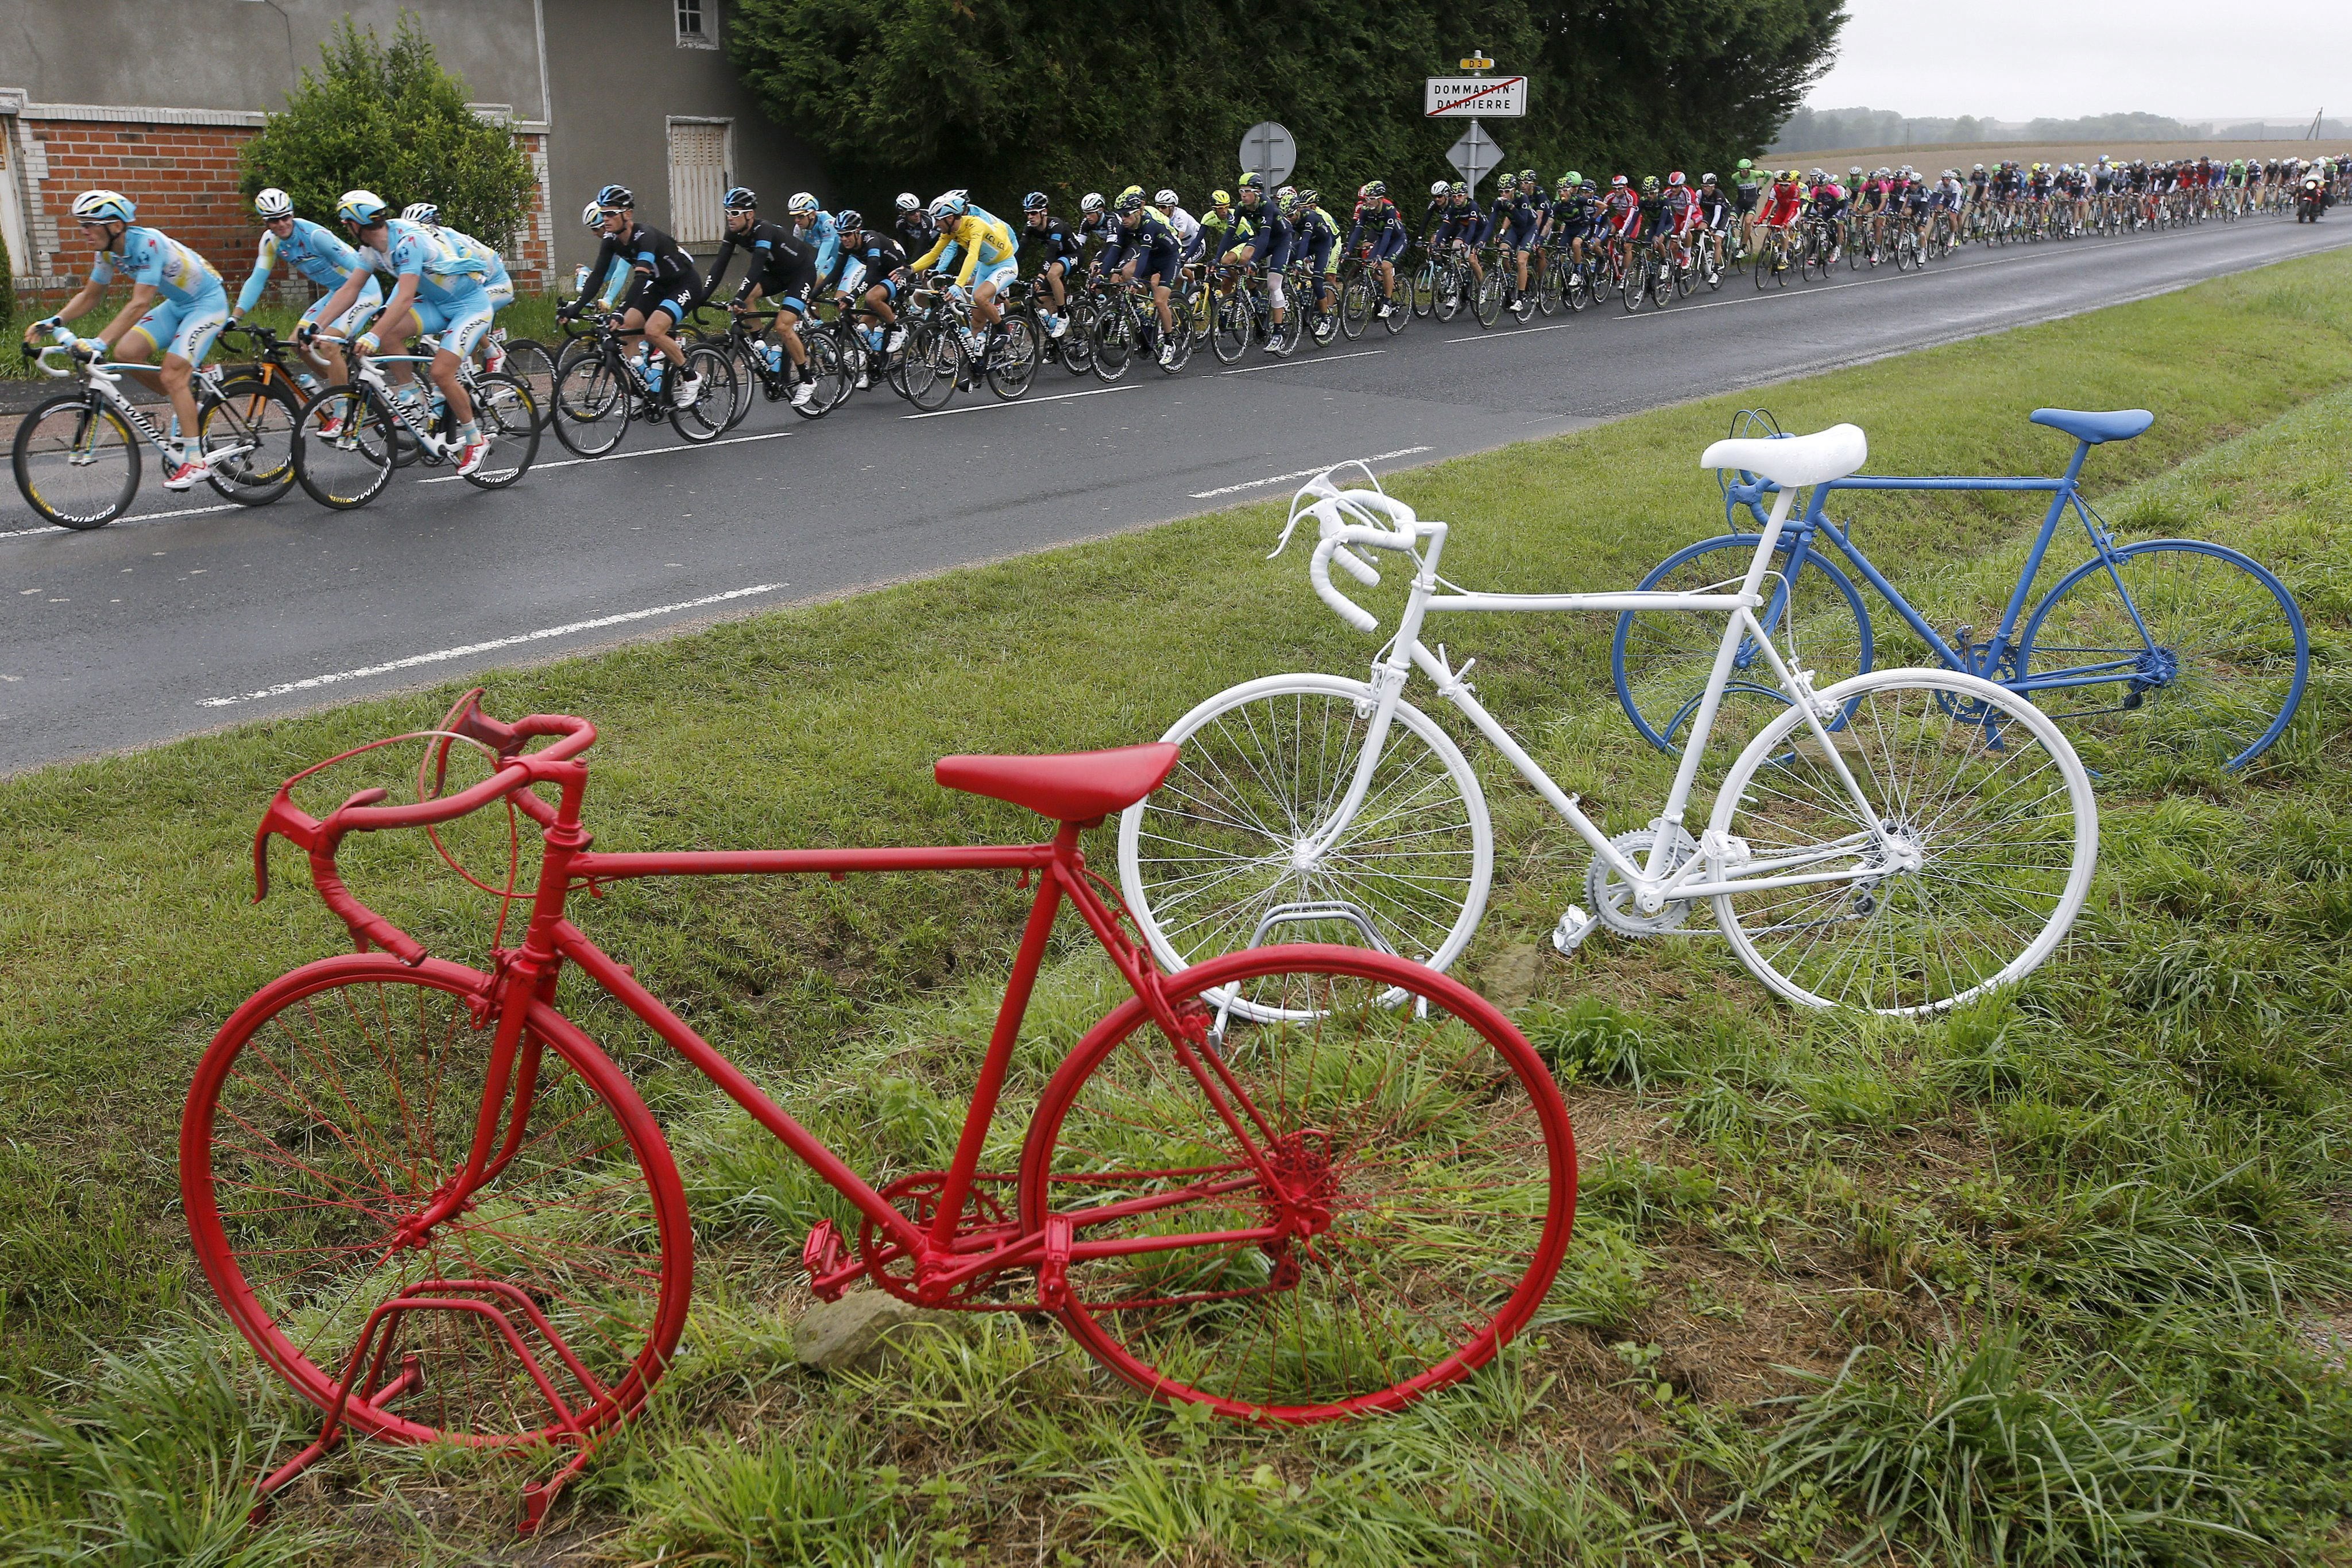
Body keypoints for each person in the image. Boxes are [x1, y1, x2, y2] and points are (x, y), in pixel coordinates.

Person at [26, 189, 231, 490]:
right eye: (82, 225)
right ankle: (187, 402)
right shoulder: (107, 252)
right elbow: (91, 295)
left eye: (90, 224)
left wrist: (99, 341)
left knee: (173, 373)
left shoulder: (147, 244)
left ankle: (195, 461)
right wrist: (55, 321)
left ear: (116, 226)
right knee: (126, 353)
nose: (84, 231)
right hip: (178, 304)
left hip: (207, 304)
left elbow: (139, 304)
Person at [304, 189, 497, 475]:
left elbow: (405, 298)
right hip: (440, 304)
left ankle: (475, 438)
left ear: (355, 224)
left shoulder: (406, 242)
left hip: (470, 306)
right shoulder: (372, 249)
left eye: (346, 224)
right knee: (391, 334)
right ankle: (410, 395)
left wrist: (372, 336)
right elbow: (351, 289)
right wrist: (317, 325)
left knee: (441, 372)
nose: (346, 229)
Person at [556, 184, 706, 412]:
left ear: (627, 214)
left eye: (610, 214)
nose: (605, 219)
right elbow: (597, 276)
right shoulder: (611, 240)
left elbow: (640, 278)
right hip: (660, 285)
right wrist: (574, 309)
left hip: (685, 283)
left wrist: (620, 308)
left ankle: (691, 376)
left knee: (653, 330)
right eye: (603, 213)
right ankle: (641, 391)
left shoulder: (644, 236)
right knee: (625, 331)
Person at [230, 187, 378, 401]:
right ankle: (339, 389)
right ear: (265, 222)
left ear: (292, 213)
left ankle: (340, 408)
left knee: (328, 344)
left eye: (285, 217)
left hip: (364, 291)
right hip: (337, 292)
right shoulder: (271, 242)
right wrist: (235, 316)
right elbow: (257, 279)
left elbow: (361, 268)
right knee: (297, 343)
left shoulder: (316, 236)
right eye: (274, 220)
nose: (281, 224)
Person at [702, 186, 822, 411]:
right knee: (747, 299)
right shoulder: (734, 233)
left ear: (750, 215)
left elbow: (756, 266)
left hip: (800, 273)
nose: (730, 218)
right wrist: (702, 296)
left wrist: (737, 297)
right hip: (776, 274)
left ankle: (807, 380)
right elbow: (719, 266)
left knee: (783, 326)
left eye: (735, 213)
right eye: (728, 212)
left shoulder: (764, 230)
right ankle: (763, 349)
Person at [401, 202, 514, 370]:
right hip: (475, 286)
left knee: (466, 312)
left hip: (497, 283)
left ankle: (492, 352)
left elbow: (474, 270)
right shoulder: (424, 244)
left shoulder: (449, 239)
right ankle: (472, 370)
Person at [910, 192, 1021, 359]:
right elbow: (934, 254)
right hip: (987, 265)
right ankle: (978, 364)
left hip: (1005, 262)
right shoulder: (950, 232)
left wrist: (959, 285)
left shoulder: (976, 223)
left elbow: (973, 255)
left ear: (949, 218)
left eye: (938, 220)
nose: (936, 225)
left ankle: (1003, 332)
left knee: (979, 296)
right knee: (976, 320)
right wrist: (909, 269)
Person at [1022, 192, 1084, 338]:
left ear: (1044, 212)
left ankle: (1063, 316)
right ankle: (1056, 342)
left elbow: (1050, 253)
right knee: (1042, 301)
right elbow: (1021, 251)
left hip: (1074, 255)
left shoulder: (1056, 225)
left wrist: (1040, 276)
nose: (1030, 217)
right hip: (1057, 260)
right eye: (1027, 213)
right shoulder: (1029, 227)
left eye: (1033, 213)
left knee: (1052, 274)